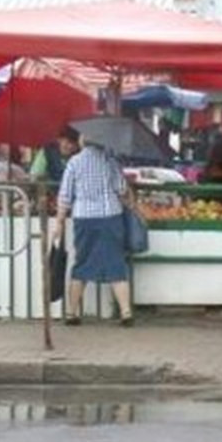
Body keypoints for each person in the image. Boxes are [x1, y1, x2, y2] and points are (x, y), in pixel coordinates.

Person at [53, 129, 134, 327]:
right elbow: (121, 189)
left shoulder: (74, 162)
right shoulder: (110, 161)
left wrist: (59, 222)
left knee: (82, 262)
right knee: (116, 262)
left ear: (83, 141)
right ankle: (126, 312)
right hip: (110, 216)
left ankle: (72, 313)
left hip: (84, 218)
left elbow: (65, 196)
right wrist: (132, 203)